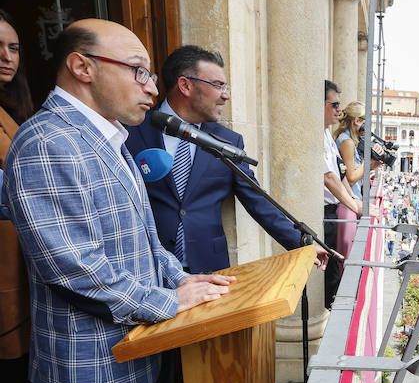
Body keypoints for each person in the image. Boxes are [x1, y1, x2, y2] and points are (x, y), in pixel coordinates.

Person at [3, 19, 235, 383]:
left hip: (140, 340)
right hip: (99, 354)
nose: (151, 87)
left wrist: (177, 279)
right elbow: (69, 262)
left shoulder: (108, 137)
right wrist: (168, 303)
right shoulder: (46, 141)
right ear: (83, 67)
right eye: (138, 71)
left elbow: (142, 237)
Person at [126, 45, 321, 274]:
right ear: (185, 85)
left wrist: (301, 243)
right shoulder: (131, 130)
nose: (226, 95)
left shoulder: (228, 142)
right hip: (149, 268)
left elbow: (257, 200)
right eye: (218, 85)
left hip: (208, 268)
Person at [0, 9, 81, 383]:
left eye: (12, 47)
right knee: (6, 349)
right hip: (3, 252)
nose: (6, 57)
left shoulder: (18, 107)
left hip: (20, 253)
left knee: (24, 344)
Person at [322, 79, 360, 308]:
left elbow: (340, 174)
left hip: (334, 209)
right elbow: (329, 178)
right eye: (334, 104)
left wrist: (354, 200)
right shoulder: (323, 135)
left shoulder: (327, 134)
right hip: (325, 212)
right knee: (330, 273)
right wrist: (355, 205)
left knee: (335, 270)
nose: (339, 109)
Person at [332, 101, 382, 259]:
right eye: (366, 121)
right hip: (348, 202)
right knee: (348, 253)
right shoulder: (347, 142)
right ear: (357, 121)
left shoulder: (348, 139)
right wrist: (369, 162)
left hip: (350, 200)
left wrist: (371, 165)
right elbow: (351, 178)